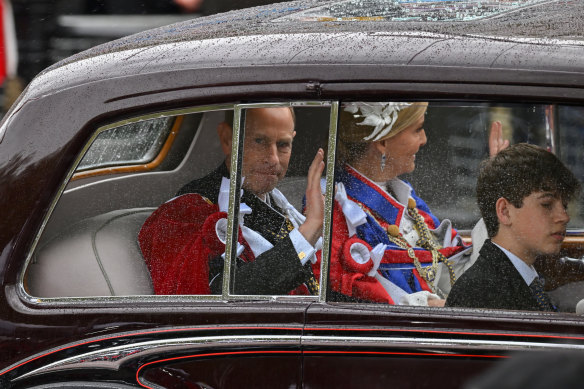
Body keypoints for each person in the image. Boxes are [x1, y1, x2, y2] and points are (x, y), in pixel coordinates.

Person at [318, 102, 506, 307]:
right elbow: (368, 308)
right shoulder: (336, 210)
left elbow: (451, 269)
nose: (424, 139)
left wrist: (496, 193)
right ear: (383, 141)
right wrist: (443, 307)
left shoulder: (405, 198)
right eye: (417, 129)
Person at [139, 107, 325, 295]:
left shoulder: (278, 204)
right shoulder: (187, 211)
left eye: (283, 144)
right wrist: (309, 231)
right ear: (228, 139)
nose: (273, 158)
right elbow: (220, 301)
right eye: (259, 141)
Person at [445, 143, 580, 311]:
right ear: (505, 211)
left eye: (564, 205)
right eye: (547, 204)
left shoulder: (519, 280)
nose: (564, 217)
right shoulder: (482, 293)